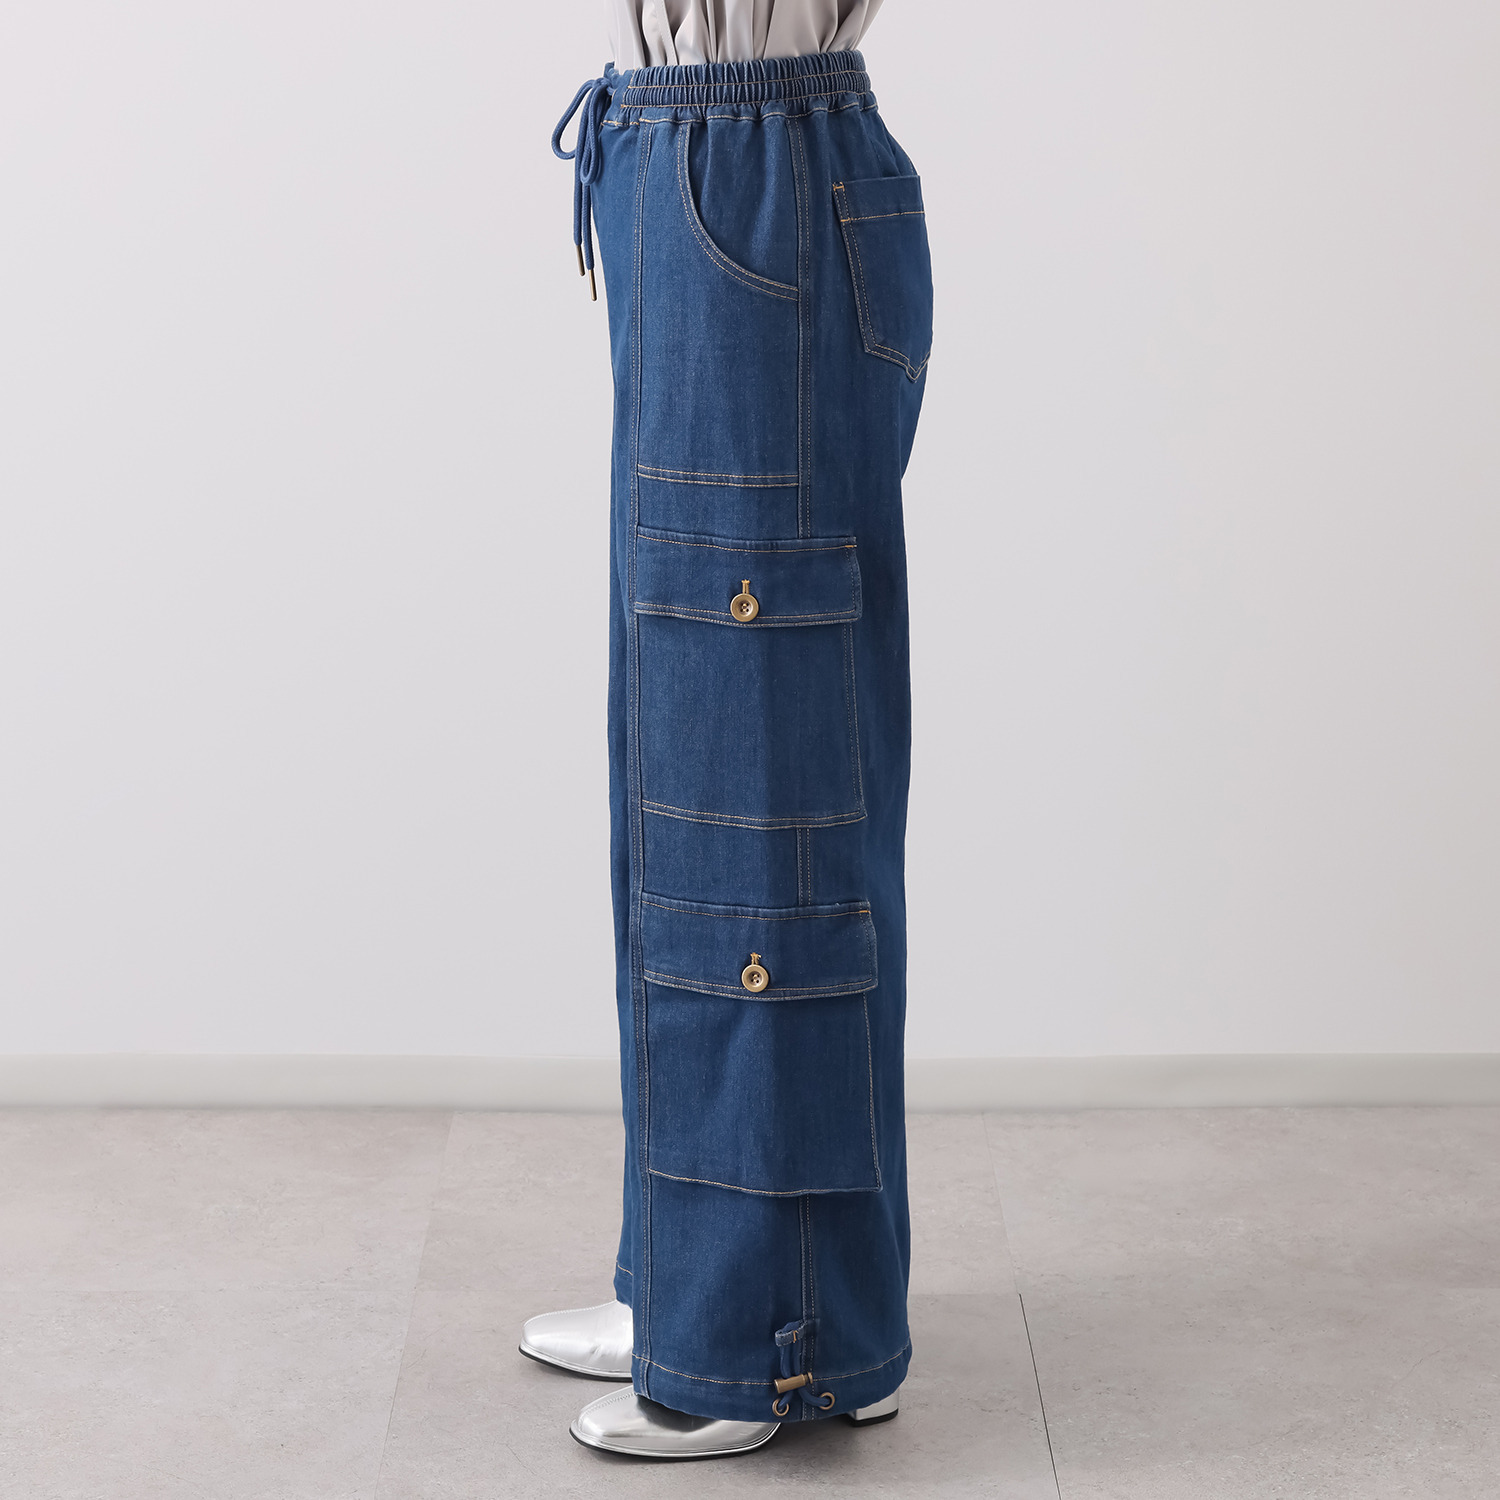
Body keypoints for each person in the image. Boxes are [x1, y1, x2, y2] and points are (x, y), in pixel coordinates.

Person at [529, 0, 931, 1459]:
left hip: (753, 154)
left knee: (760, 783)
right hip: (688, 150)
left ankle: (772, 1337)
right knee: (686, 760)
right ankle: (703, 1281)